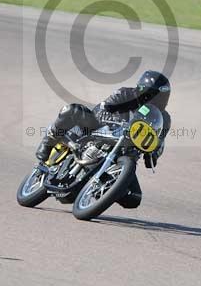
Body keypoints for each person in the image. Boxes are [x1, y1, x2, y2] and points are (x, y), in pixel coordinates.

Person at [35, 70, 172, 208]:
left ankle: (104, 189)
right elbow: (103, 108)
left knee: (134, 198)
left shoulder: (164, 118)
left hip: (126, 151)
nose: (158, 100)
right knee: (72, 109)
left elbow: (159, 140)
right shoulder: (126, 94)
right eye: (154, 95)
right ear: (142, 91)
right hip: (102, 129)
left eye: (162, 96)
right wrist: (111, 120)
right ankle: (47, 144)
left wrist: (154, 153)